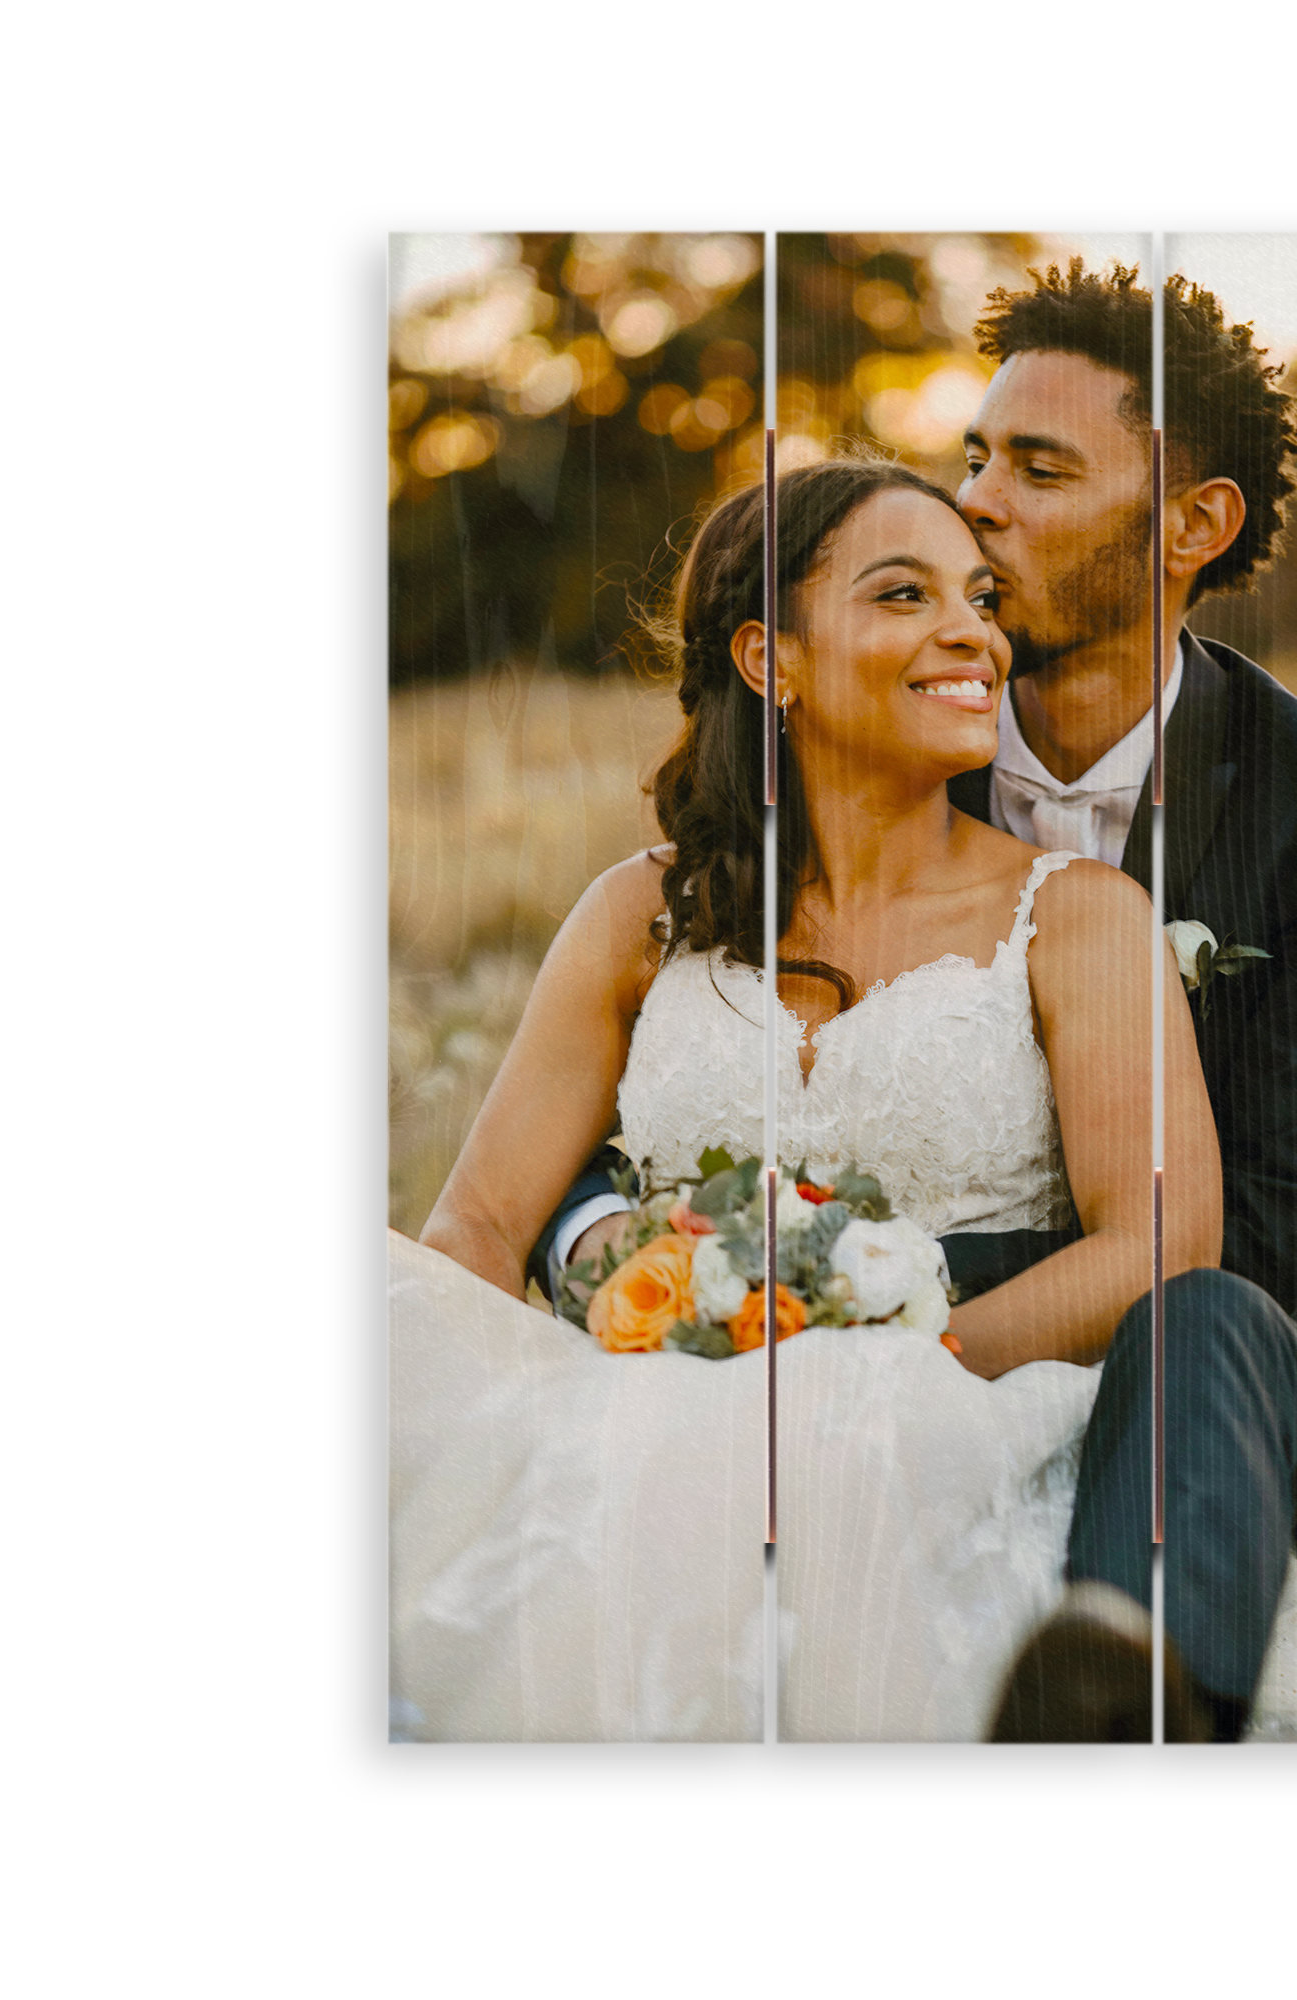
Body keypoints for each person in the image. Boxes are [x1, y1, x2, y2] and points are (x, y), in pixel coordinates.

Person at [543, 260, 1297, 1743]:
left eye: (1038, 468)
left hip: (1174, 1384)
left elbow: (1258, 1222)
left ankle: (1128, 1684)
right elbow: (655, 1075)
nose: (979, 504)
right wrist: (669, 1262)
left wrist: (845, 1278)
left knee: (1205, 1303)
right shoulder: (869, 737)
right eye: (973, 457)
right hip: (761, 1355)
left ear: (1192, 527)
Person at [391, 456, 1222, 1744]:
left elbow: (1161, 1239)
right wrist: (592, 1402)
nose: (973, 635)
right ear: (771, 660)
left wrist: (893, 1378)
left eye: (982, 598)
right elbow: (480, 1229)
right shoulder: (639, 913)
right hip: (648, 1411)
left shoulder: (1075, 917)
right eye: (904, 596)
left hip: (962, 1417)